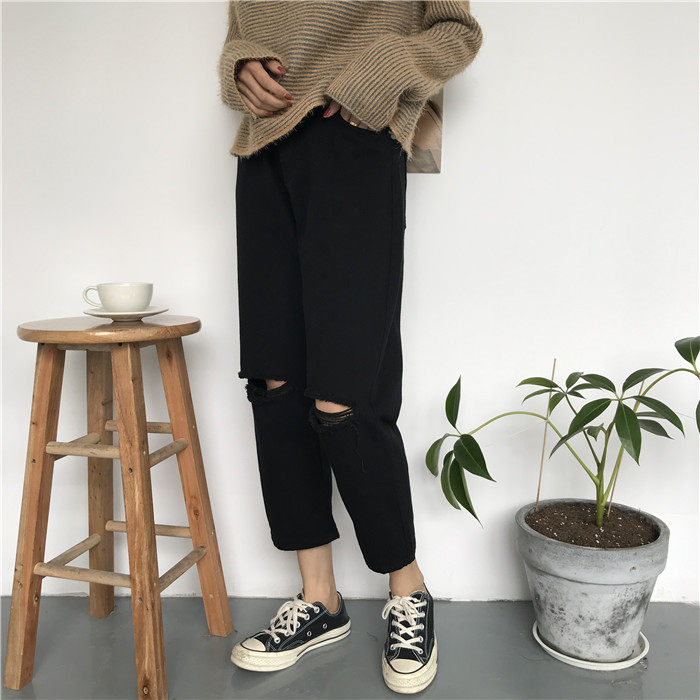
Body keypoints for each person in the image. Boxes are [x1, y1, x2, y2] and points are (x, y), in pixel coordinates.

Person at [218, 1, 482, 693]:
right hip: (264, 146)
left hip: (356, 137)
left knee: (345, 393)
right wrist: (239, 67)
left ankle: (407, 586)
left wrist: (378, 72)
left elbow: (455, 32)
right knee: (273, 382)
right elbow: (242, 31)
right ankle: (320, 599)